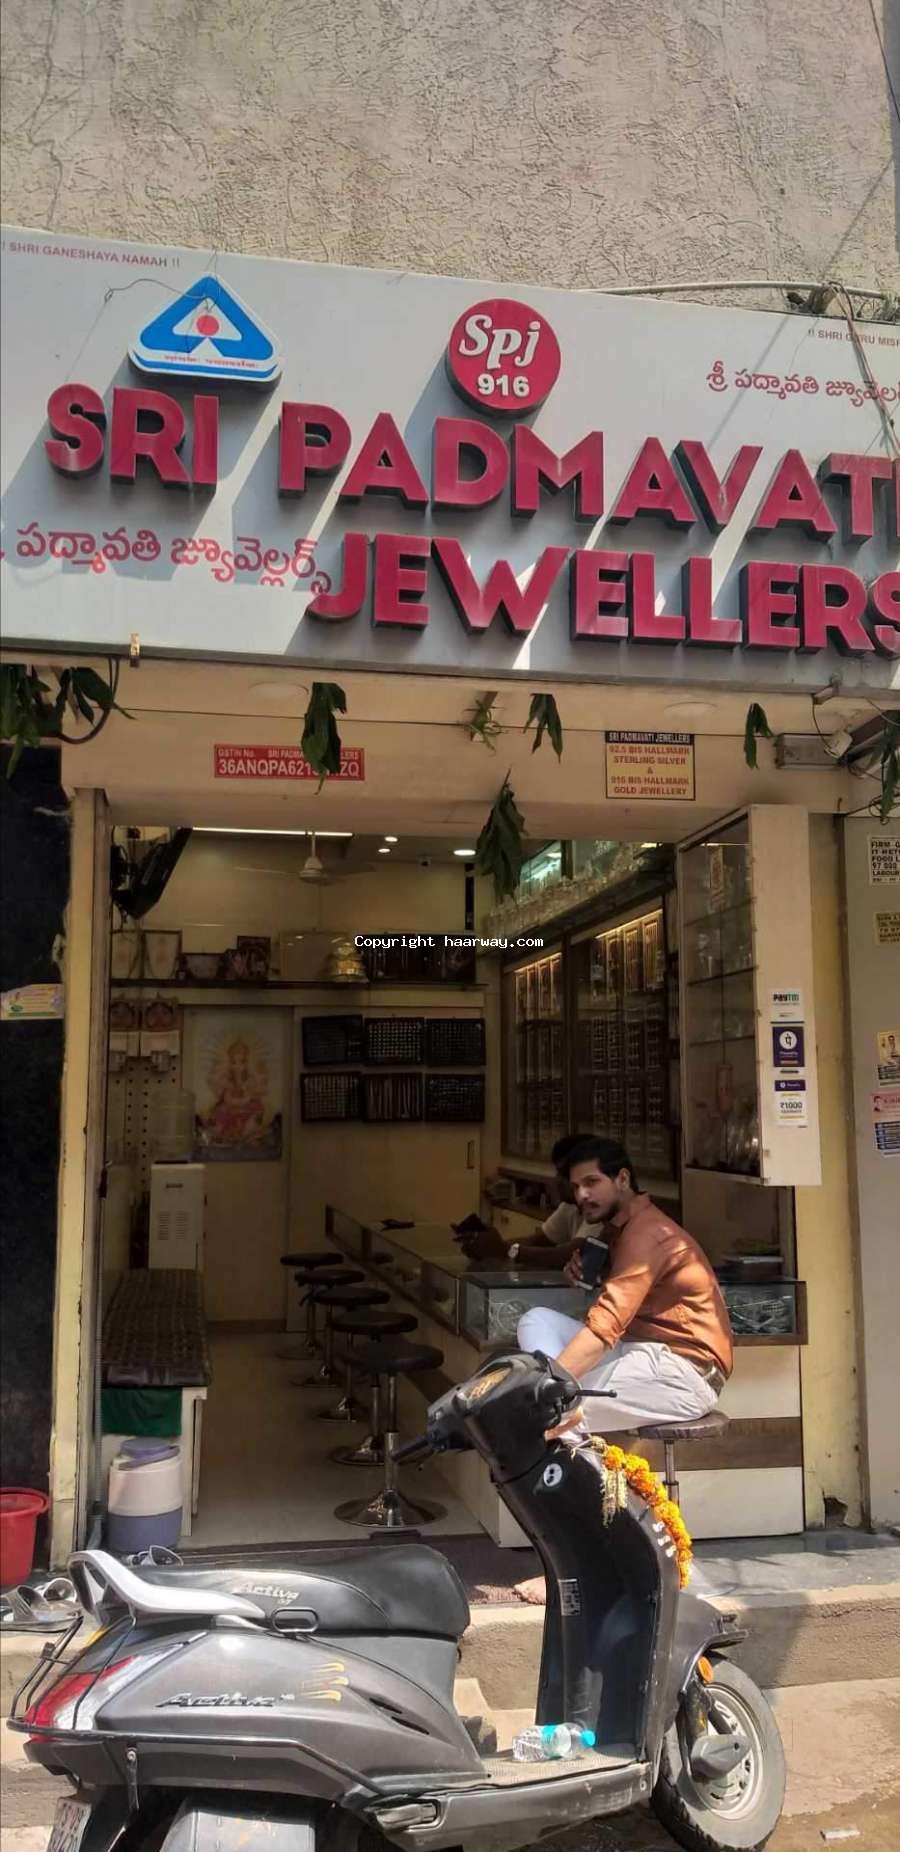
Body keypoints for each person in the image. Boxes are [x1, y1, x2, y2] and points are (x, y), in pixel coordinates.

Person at [514, 1134, 733, 1605]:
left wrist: (547, 1393)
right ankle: (563, 1412)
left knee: (554, 1418)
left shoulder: (646, 1234)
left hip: (683, 1371)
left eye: (592, 1182)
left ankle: (586, 1564)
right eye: (576, 1187)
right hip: (646, 1354)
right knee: (536, 1321)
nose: (582, 1195)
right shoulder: (619, 1230)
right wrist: (584, 1273)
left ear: (623, 1178)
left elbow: (605, 1327)